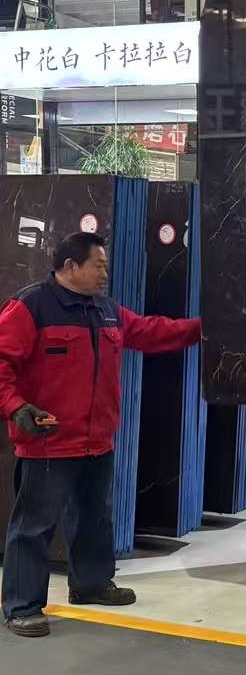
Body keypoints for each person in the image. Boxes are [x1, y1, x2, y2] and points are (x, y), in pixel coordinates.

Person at [0, 231, 201, 638]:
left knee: (93, 518)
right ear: (70, 266)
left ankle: (90, 584)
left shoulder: (106, 311)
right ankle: (22, 605)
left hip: (97, 440)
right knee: (34, 526)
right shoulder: (31, 307)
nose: (104, 273)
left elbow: (150, 331)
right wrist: (17, 407)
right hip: (49, 440)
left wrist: (203, 328)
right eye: (98, 265)